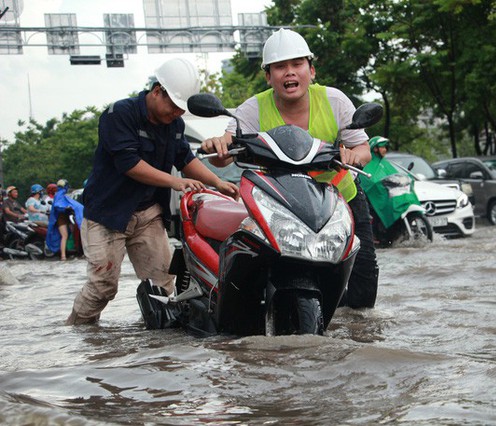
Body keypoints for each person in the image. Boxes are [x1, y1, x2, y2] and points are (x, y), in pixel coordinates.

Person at [202, 28, 379, 309]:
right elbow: (224, 153)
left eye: (297, 65)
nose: (289, 73)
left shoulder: (335, 101)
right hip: (280, 205)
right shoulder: (251, 110)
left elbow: (363, 149)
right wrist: (218, 146)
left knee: (364, 286)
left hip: (340, 200)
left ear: (311, 71)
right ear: (268, 76)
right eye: (280, 67)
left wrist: (354, 157)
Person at [66, 58, 239, 325]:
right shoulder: (119, 115)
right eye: (173, 105)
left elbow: (185, 160)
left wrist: (217, 183)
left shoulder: (175, 126)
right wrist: (174, 182)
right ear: (157, 91)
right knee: (103, 285)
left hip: (147, 213)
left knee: (164, 283)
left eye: (182, 109)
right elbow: (130, 164)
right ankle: (79, 331)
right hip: (107, 215)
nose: (176, 113)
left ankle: (162, 343)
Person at [46, 179, 84, 261]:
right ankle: (63, 256)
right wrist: (65, 208)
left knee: (73, 231)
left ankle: (73, 251)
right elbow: (58, 205)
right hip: (61, 218)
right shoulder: (59, 195)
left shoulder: (64, 195)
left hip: (68, 217)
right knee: (64, 236)